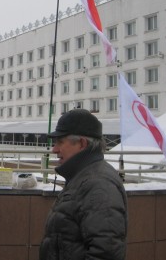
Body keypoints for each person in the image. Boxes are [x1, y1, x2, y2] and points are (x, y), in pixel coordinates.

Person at [40, 109, 127, 260]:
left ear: (82, 143)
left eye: (60, 142)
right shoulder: (83, 176)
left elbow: (106, 253)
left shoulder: (99, 184)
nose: (54, 149)